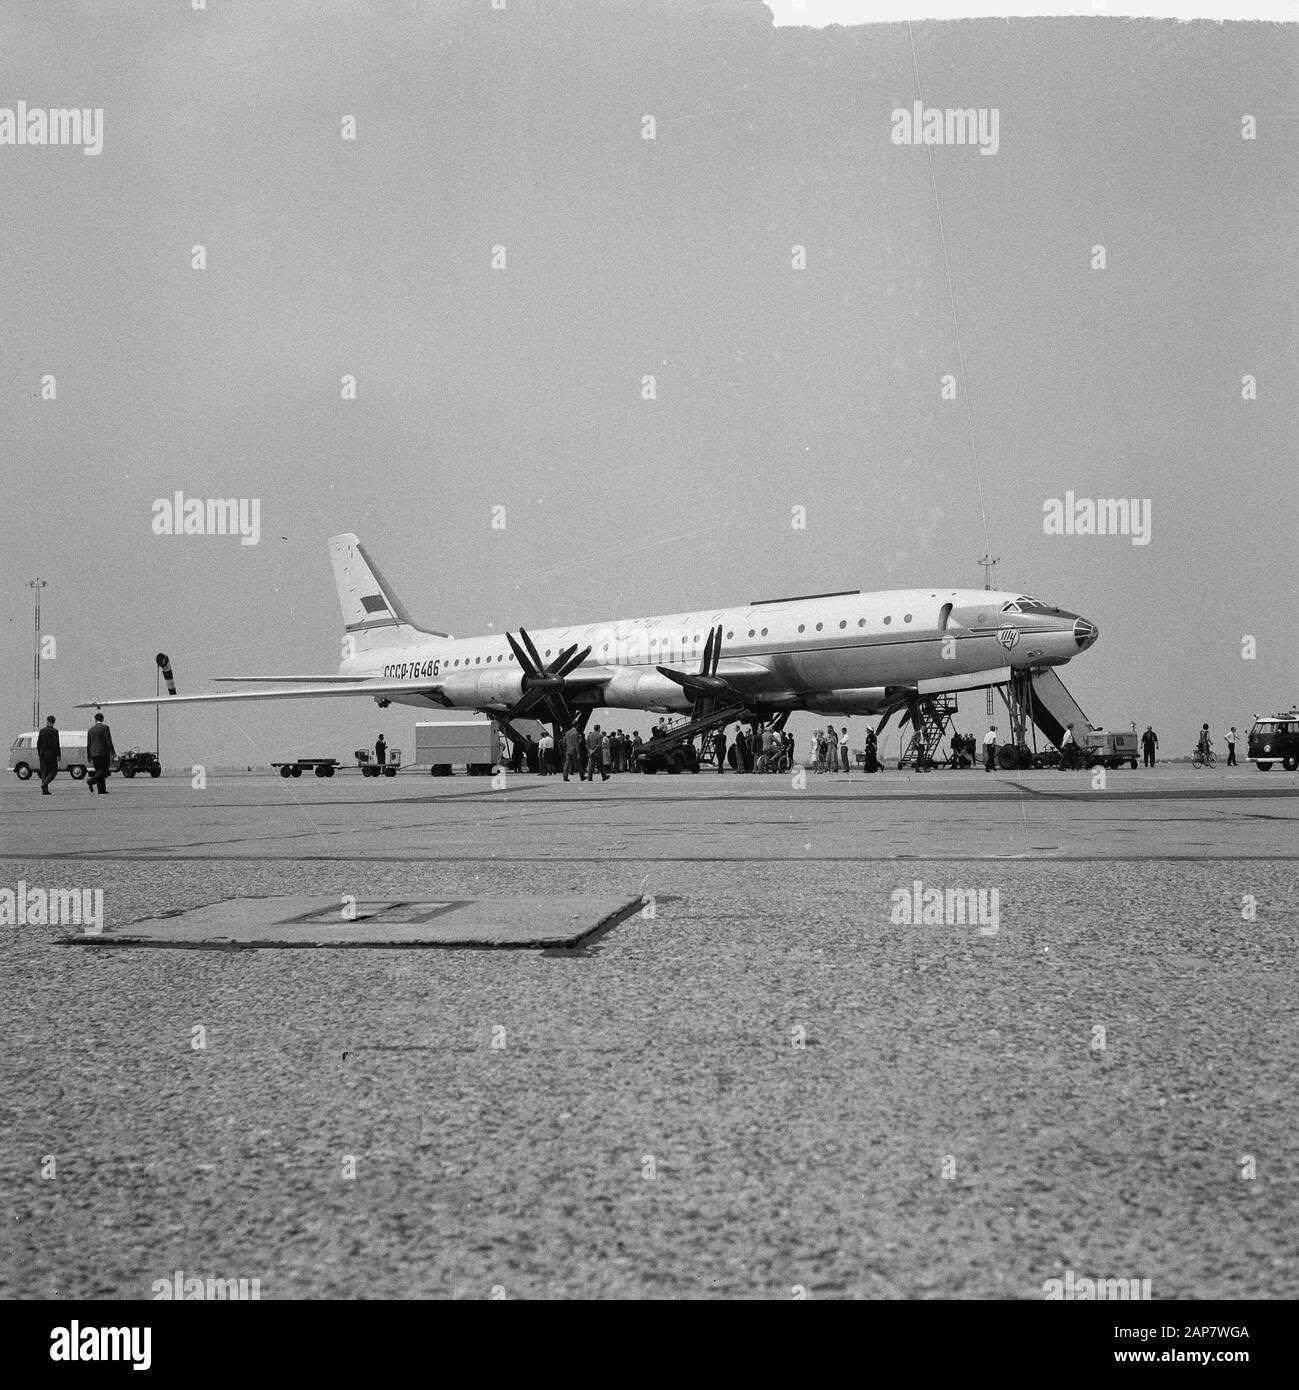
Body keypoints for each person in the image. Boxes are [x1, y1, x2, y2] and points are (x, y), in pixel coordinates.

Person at [87, 711, 115, 794]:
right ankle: (91, 781)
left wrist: (89, 755)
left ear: (95, 719)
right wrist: (112, 752)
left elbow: (89, 744)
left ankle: (101, 790)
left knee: (99, 771)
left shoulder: (90, 730)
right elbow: (108, 741)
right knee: (104, 771)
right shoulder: (105, 728)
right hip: (103, 753)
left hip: (94, 754)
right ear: (103, 719)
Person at [37, 715, 60, 794]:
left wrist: (39, 753)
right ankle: (45, 783)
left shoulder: (42, 731)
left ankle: (44, 790)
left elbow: (38, 743)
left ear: (47, 721)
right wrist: (58, 754)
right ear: (54, 722)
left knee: (44, 772)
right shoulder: (54, 731)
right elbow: (56, 744)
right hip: (51, 754)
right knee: (54, 771)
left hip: (42, 753)